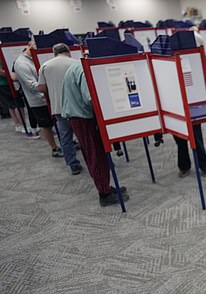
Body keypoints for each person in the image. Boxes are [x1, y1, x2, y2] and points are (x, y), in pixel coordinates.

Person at [61, 61, 130, 206]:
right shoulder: (84, 70)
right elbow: (90, 99)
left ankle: (105, 187)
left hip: (79, 116)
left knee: (96, 154)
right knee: (95, 155)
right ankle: (104, 194)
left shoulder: (77, 66)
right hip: (84, 118)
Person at [37, 43, 82, 175]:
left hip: (58, 107)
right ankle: (91, 161)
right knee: (83, 135)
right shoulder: (76, 63)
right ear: (68, 51)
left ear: (54, 53)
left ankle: (73, 164)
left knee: (65, 136)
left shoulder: (46, 65)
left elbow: (41, 88)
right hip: (77, 106)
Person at [13, 41, 63, 157]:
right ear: (30, 47)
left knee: (59, 121)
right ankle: (54, 148)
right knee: (46, 125)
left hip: (51, 96)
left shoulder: (36, 58)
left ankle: (66, 143)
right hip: (38, 100)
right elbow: (31, 85)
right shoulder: (21, 63)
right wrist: (51, 87)